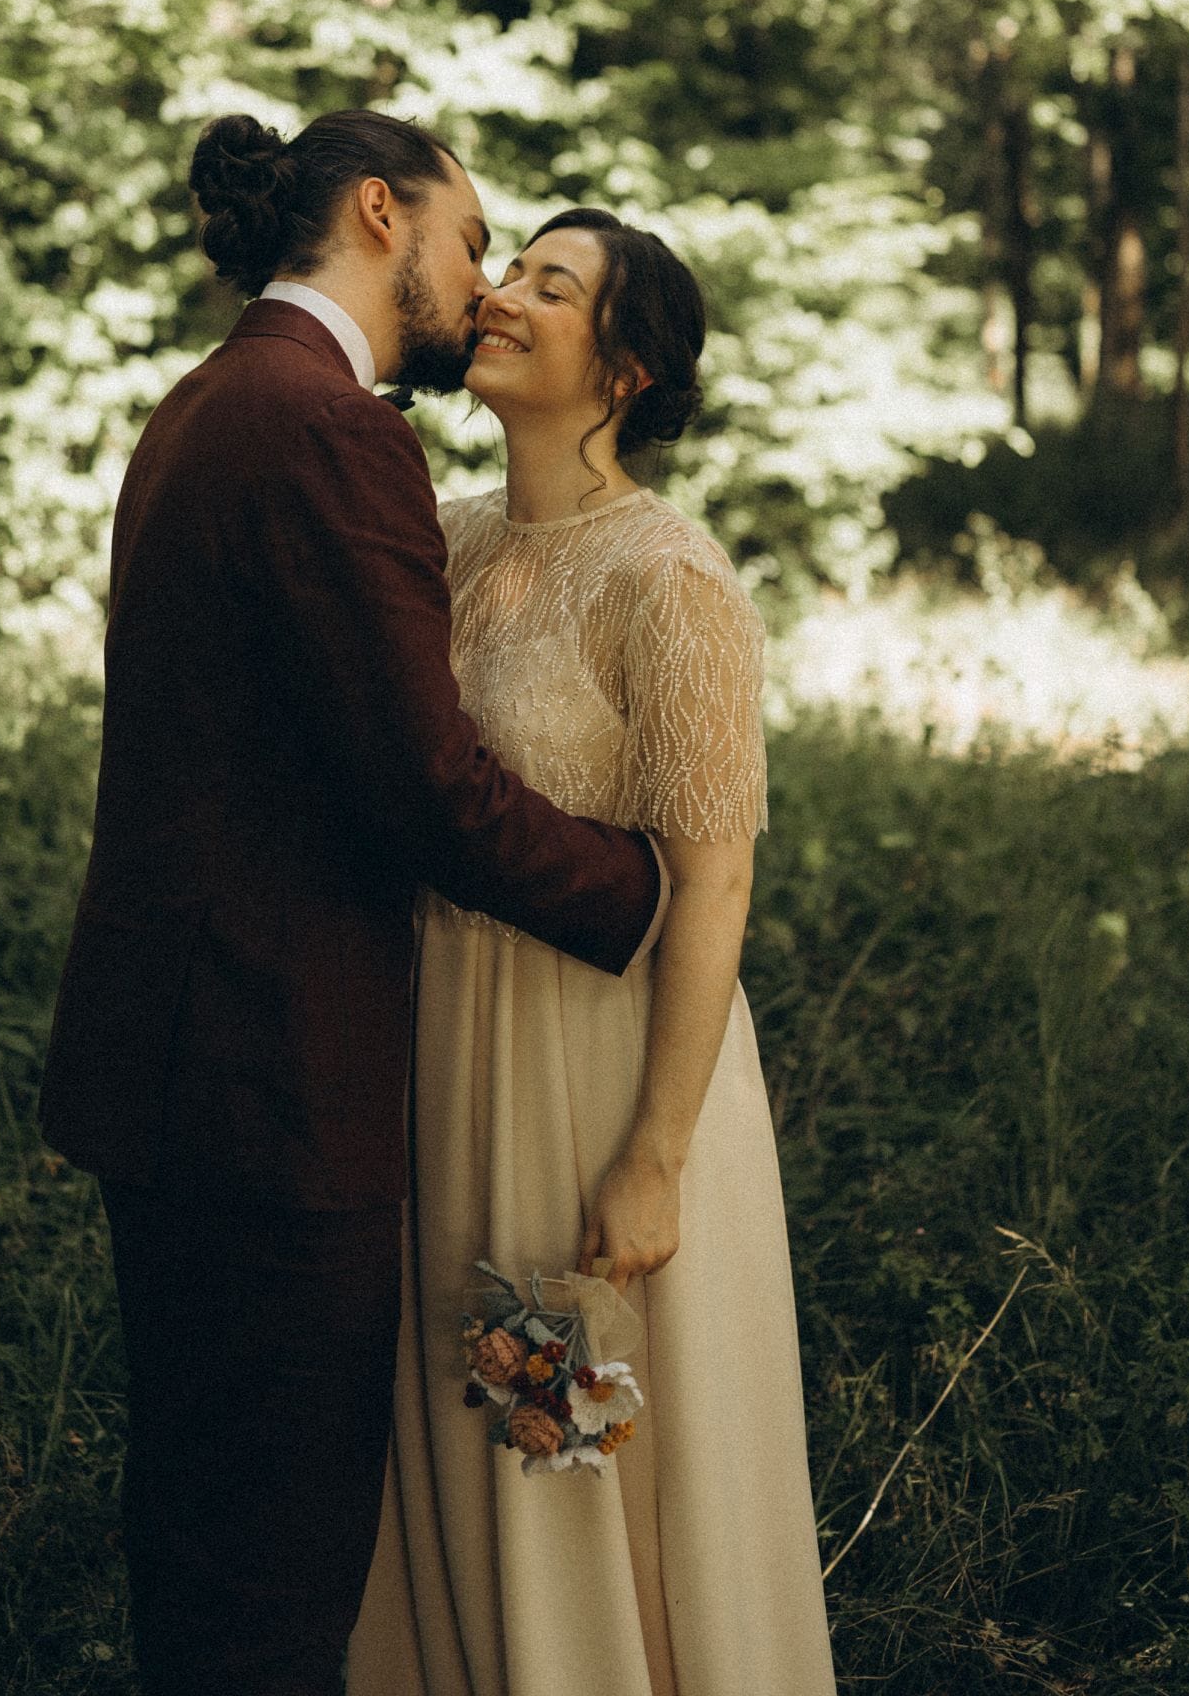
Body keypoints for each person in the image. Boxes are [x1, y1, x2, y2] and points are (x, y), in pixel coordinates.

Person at [37, 115, 672, 1696]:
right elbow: (425, 788)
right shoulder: (326, 427)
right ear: (382, 214)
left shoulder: (206, 403)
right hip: (264, 1082)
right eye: (473, 242)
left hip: (182, 1069)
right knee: (274, 1577)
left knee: (203, 1544)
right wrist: (638, 891)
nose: (481, 283)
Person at [349, 209, 836, 1696]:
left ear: (621, 371)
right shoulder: (448, 535)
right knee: (458, 1420)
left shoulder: (667, 577)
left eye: (548, 287)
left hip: (601, 1063)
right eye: (509, 270)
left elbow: (715, 878)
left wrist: (655, 1151)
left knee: (580, 1450)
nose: (496, 296)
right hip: (449, 1044)